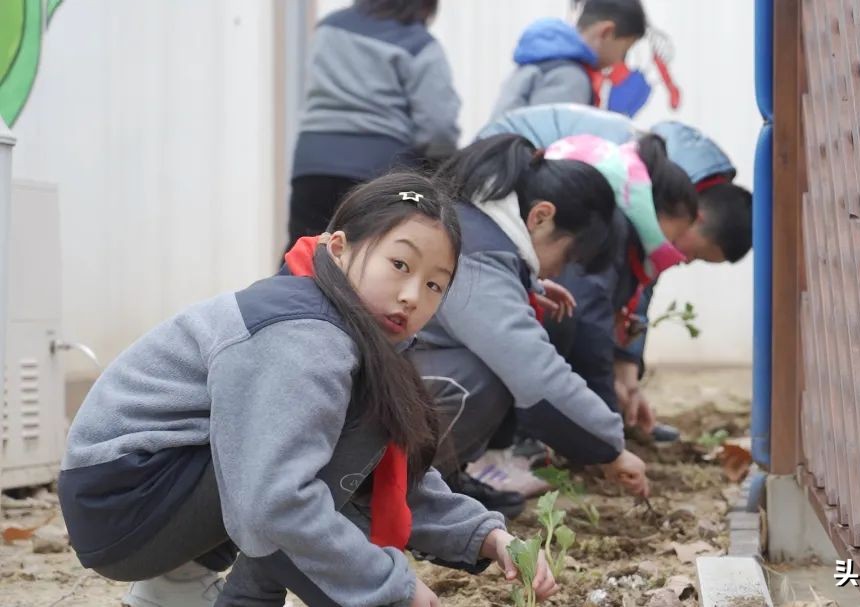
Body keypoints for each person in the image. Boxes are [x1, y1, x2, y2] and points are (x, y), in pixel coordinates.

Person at [59, 173, 556, 607]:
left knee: (325, 453)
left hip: (145, 491)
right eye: (400, 265)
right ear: (338, 248)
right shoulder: (304, 335)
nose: (412, 295)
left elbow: (390, 476)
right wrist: (388, 589)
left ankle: (176, 586)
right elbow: (274, 501)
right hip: (126, 499)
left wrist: (485, 535)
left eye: (435, 285)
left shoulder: (348, 330)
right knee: (309, 466)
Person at [478, 104, 752, 440]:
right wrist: (606, 431)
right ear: (698, 218)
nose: (684, 259)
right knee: (562, 311)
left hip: (543, 205)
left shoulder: (662, 197)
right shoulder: (644, 191)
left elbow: (637, 285)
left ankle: (569, 426)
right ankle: (527, 438)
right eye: (695, 254)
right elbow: (602, 297)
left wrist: (626, 372)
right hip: (505, 187)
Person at [411, 134, 650, 518]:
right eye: (568, 254)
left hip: (355, 379)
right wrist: (611, 447)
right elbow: (537, 373)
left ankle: (432, 484)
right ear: (540, 217)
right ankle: (401, 493)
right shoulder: (479, 258)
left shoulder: (465, 223)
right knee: (480, 375)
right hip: (349, 397)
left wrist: (524, 284)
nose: (562, 270)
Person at [288, 0, 461, 247]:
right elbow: (439, 127)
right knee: (369, 259)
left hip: (313, 162)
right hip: (381, 170)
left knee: (304, 253)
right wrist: (442, 172)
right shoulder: (419, 44)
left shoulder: (329, 27)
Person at [490, 0, 647, 120]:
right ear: (606, 33)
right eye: (625, 50)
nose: (620, 61)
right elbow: (549, 147)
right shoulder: (570, 76)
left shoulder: (545, 60)